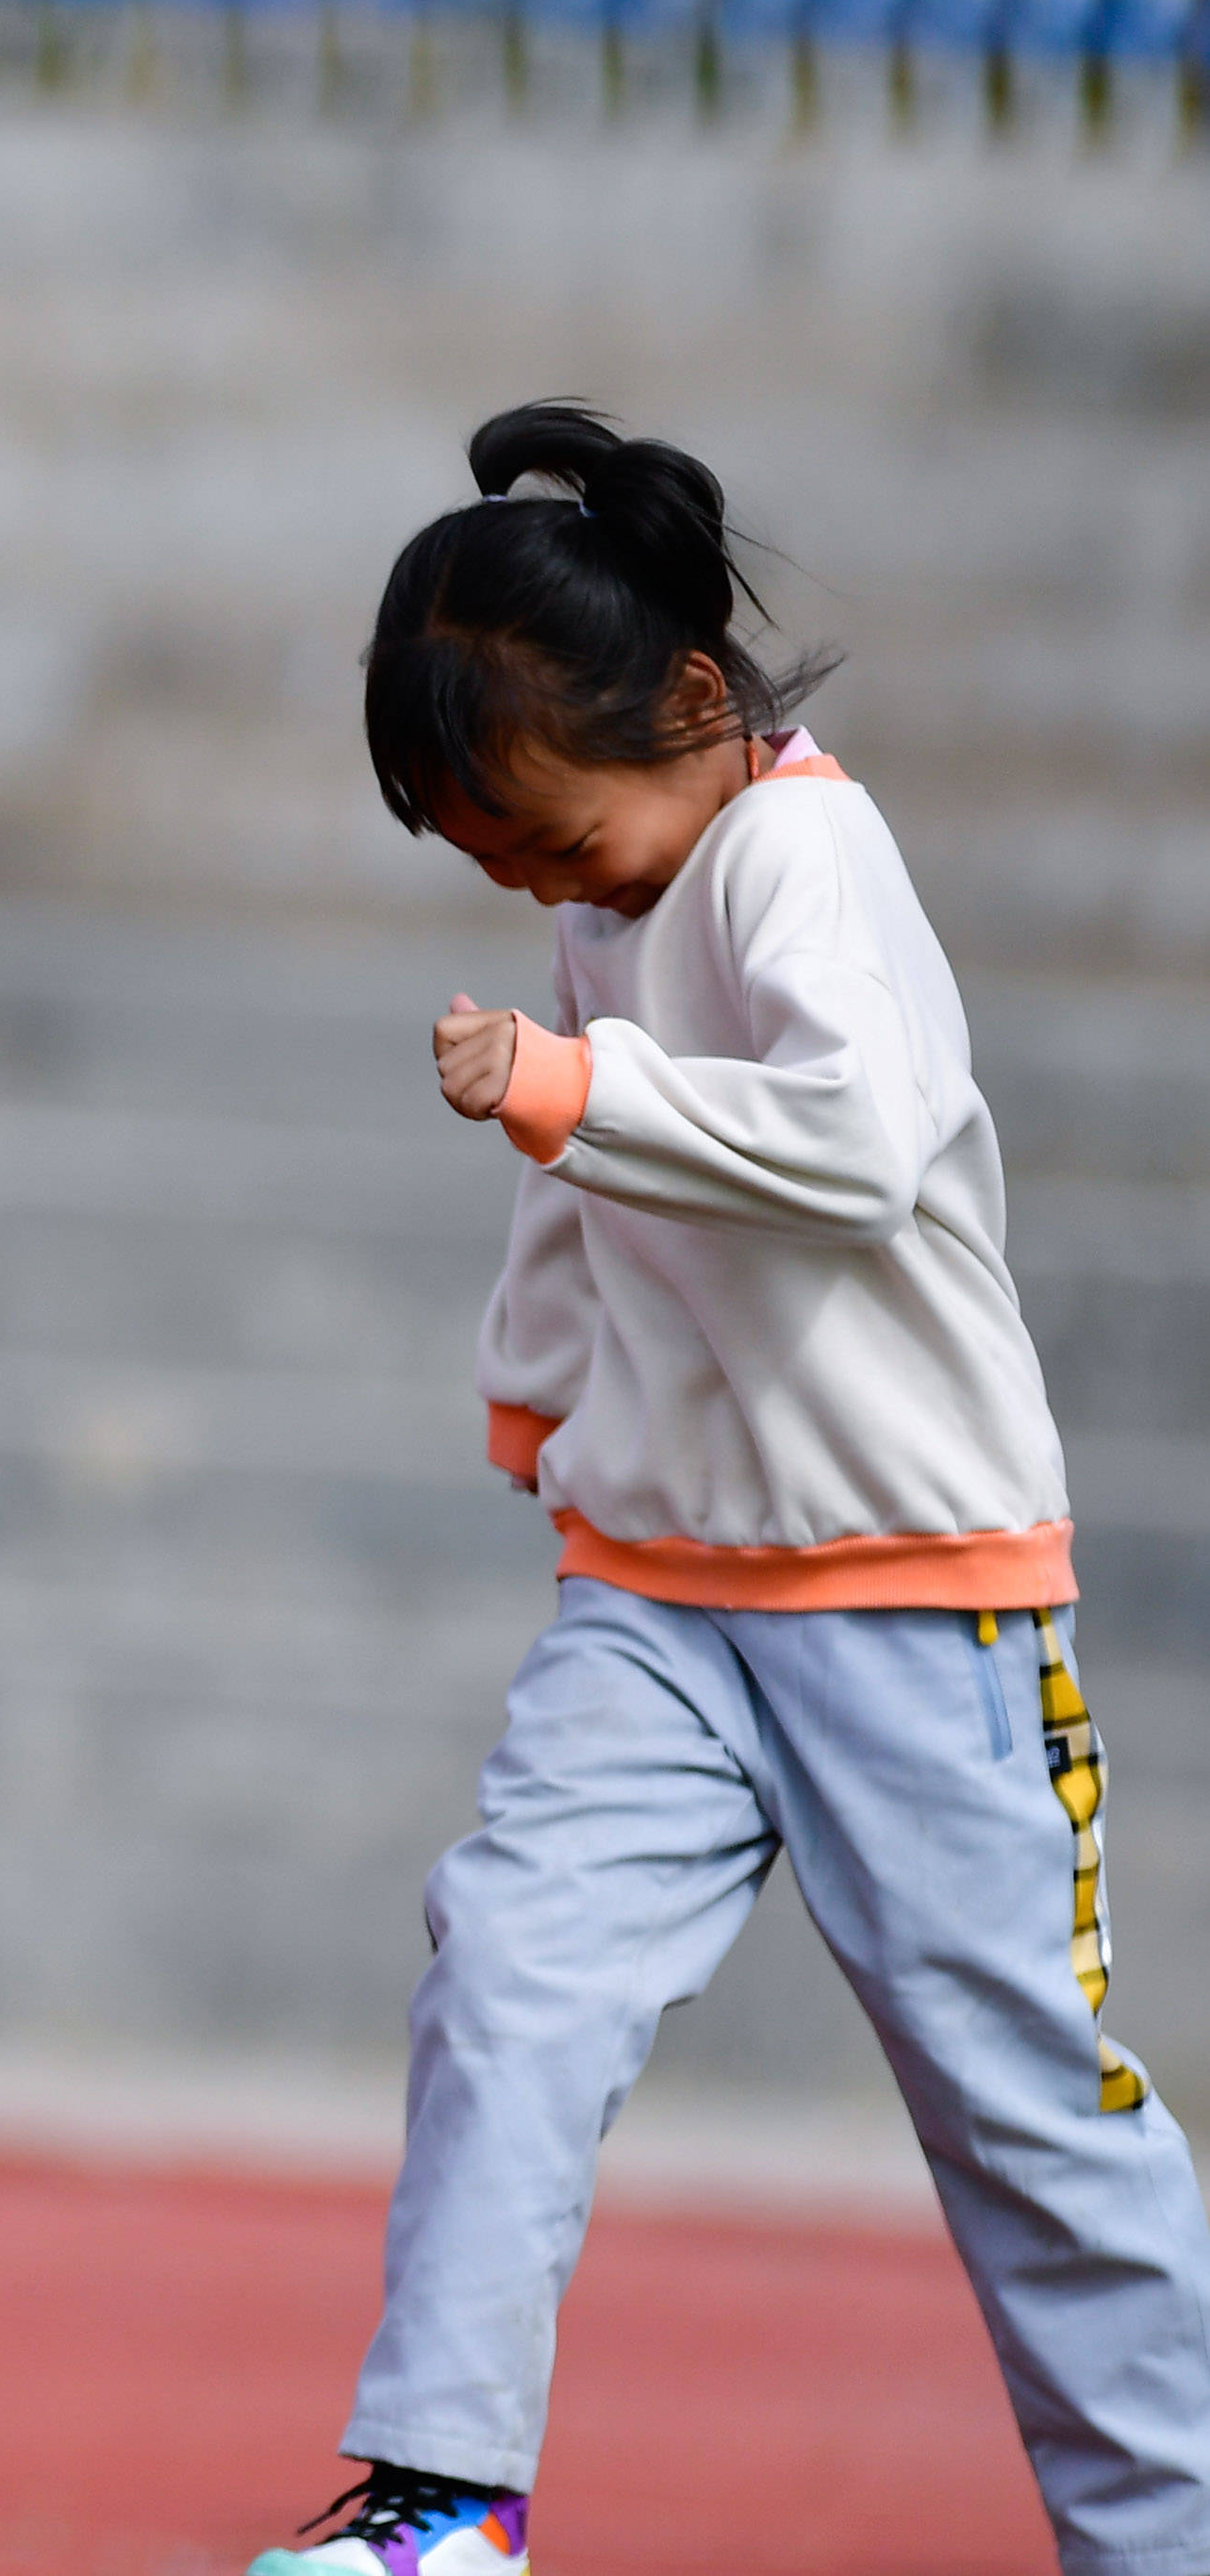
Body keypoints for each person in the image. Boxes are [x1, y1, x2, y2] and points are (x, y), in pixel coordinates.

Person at [264, 403, 1210, 2576]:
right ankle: (444, 2502)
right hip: (666, 1592)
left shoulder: (799, 854)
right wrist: (538, 1392)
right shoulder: (641, 877)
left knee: (1025, 2117)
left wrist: (568, 1087)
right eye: (498, 871)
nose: (546, 894)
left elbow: (849, 1143)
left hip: (915, 1596)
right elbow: (592, 1192)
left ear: (697, 706)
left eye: (555, 846)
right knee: (507, 1963)